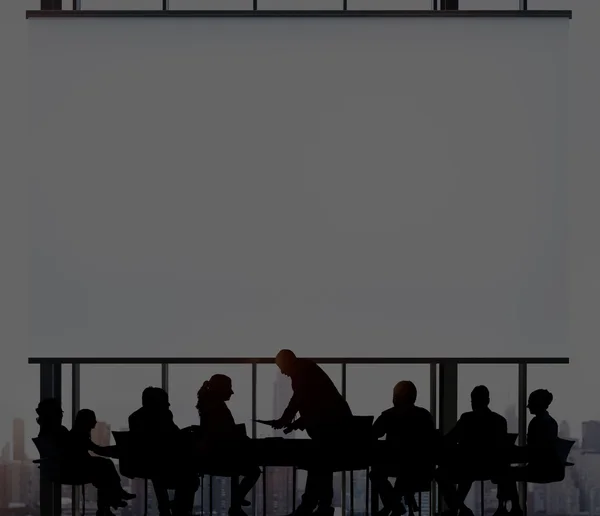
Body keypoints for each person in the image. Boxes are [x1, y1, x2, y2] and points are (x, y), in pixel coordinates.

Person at [272, 349, 353, 516]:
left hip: (332, 427)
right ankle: (320, 505)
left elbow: (300, 400)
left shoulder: (301, 372)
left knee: (318, 463)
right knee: (322, 464)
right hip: (335, 425)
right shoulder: (307, 369)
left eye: (281, 367)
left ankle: (311, 505)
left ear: (288, 362)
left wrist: (285, 420)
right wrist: (294, 424)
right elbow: (317, 405)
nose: (282, 372)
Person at [436, 386, 508, 516]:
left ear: (473, 401)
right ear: (488, 400)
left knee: (441, 473)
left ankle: (458, 508)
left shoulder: (467, 419)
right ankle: (457, 509)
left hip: (468, 467)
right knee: (467, 472)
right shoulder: (500, 421)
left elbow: (449, 440)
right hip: (493, 468)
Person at [195, 375, 261, 516]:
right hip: (221, 455)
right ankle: (236, 503)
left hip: (216, 454)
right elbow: (224, 434)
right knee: (254, 471)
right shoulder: (216, 408)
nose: (231, 392)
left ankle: (236, 503)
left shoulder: (209, 405)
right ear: (220, 389)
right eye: (228, 388)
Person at [129, 387, 199, 516]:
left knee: (160, 471)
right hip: (166, 467)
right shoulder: (163, 415)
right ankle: (179, 509)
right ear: (157, 402)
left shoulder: (134, 418)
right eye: (165, 401)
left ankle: (168, 507)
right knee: (191, 478)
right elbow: (173, 437)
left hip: (147, 465)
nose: (169, 404)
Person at [369, 381, 437, 516]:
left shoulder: (389, 415)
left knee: (375, 474)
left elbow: (373, 434)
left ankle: (394, 505)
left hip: (399, 466)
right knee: (404, 476)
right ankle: (395, 504)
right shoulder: (425, 416)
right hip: (423, 468)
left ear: (396, 397)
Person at [496, 390, 561, 516]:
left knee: (506, 472)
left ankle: (512, 508)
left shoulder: (537, 423)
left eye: (530, 402)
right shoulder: (550, 422)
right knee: (507, 472)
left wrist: (513, 450)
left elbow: (534, 451)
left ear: (538, 403)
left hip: (540, 469)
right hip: (549, 467)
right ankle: (510, 507)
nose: (528, 406)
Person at [67, 409, 135, 516]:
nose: (95, 422)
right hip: (79, 468)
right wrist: (117, 451)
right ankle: (113, 500)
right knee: (106, 467)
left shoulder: (77, 434)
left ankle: (109, 505)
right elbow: (97, 449)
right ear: (86, 421)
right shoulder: (79, 435)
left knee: (104, 477)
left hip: (77, 466)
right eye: (92, 419)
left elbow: (95, 450)